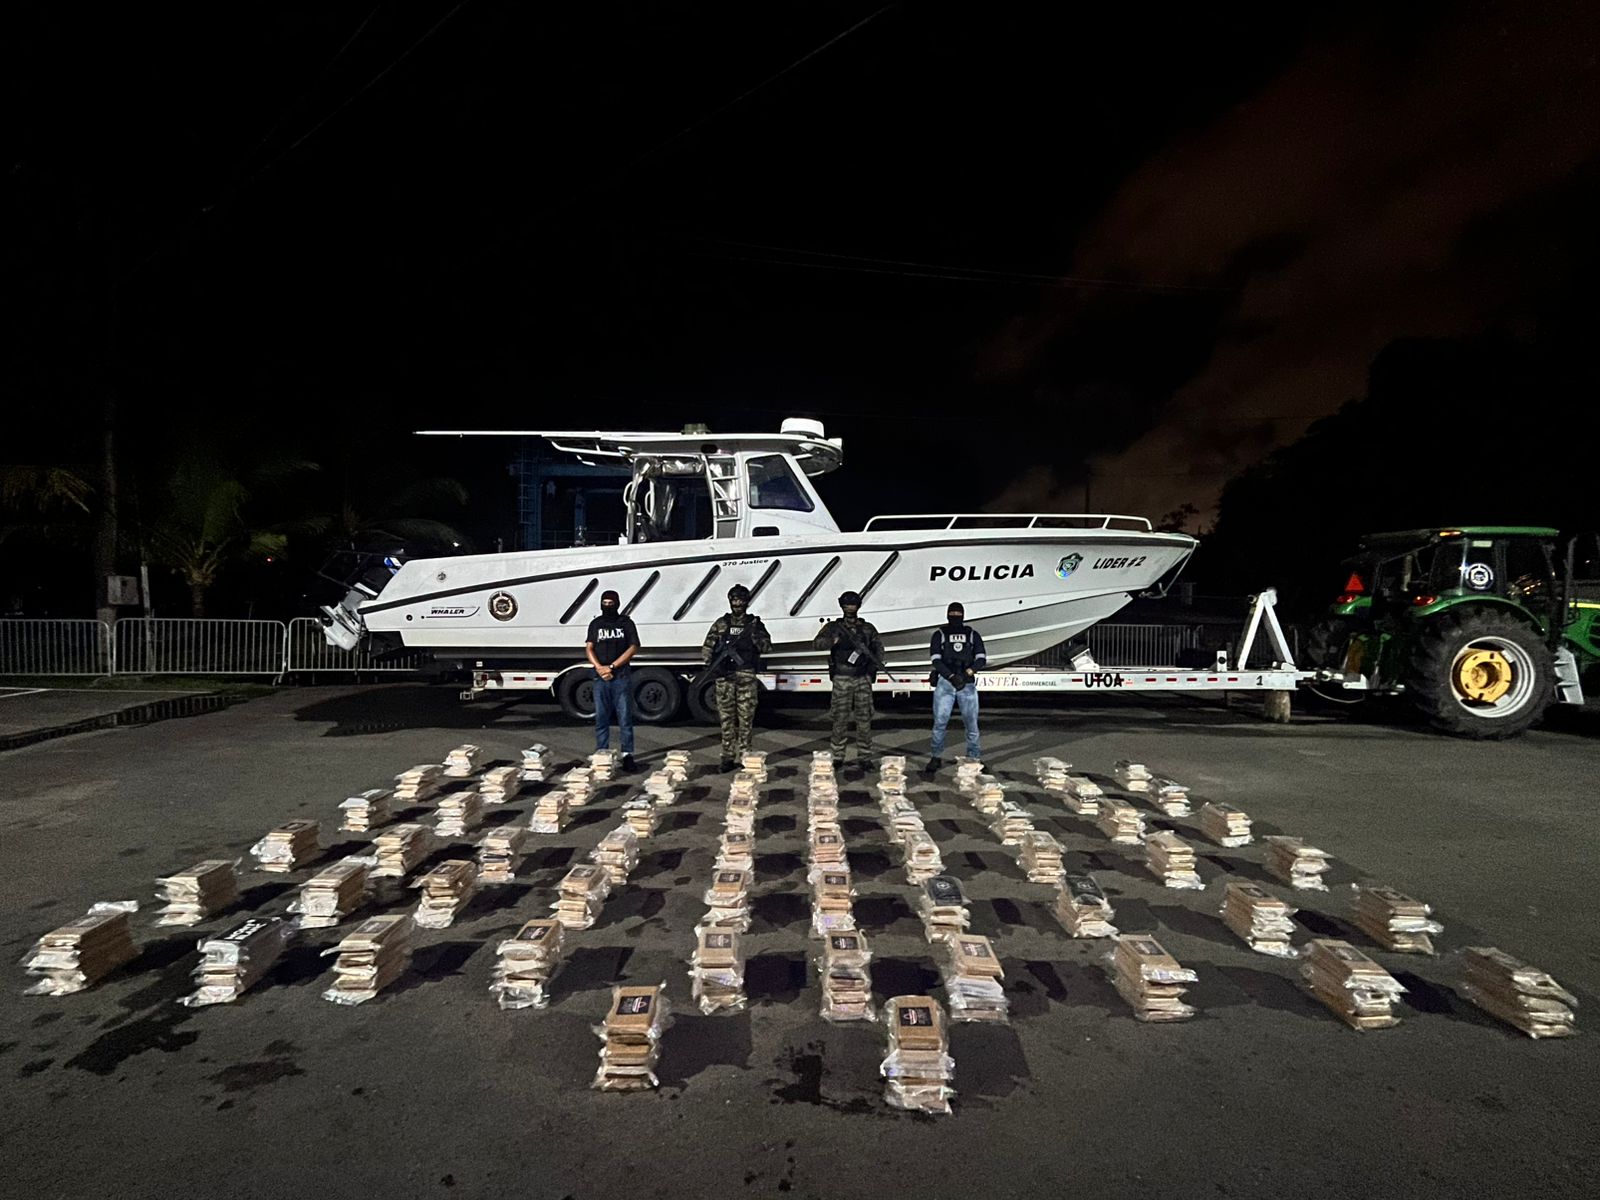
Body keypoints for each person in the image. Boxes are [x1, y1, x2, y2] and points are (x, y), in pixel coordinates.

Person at [701, 583, 772, 771]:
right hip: (724, 677)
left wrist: (756, 637)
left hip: (746, 675)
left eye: (741, 600)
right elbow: (707, 647)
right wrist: (712, 665)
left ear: (747, 602)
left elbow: (767, 647)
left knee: (746, 719)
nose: (738, 604)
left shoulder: (754, 624)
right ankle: (727, 756)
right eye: (735, 600)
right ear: (730, 601)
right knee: (726, 719)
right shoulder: (721, 624)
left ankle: (745, 755)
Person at [813, 590, 884, 770]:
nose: (850, 608)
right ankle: (837, 756)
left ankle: (865, 757)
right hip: (842, 678)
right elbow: (817, 644)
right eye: (847, 605)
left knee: (864, 719)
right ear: (842, 606)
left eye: (853, 604)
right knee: (839, 719)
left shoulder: (867, 628)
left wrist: (872, 670)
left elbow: (878, 650)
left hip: (862, 678)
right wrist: (834, 640)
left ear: (858, 606)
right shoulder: (833, 627)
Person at [926, 601, 985, 773]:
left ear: (963, 615)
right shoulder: (939, 634)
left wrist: (966, 673)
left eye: (958, 614)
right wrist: (951, 676)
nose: (955, 617)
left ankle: (974, 758)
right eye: (953, 614)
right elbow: (936, 660)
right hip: (946, 683)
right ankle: (935, 757)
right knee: (940, 722)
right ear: (947, 615)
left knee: (971, 724)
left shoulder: (972, 634)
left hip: (966, 683)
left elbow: (981, 658)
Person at [585, 589, 640, 772]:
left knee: (624, 718)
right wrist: (600, 668)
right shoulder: (596, 624)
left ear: (617, 604)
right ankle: (602, 752)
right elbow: (589, 647)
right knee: (601, 718)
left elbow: (633, 647)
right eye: (605, 603)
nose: (608, 606)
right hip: (600, 677)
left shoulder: (625, 623)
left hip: (620, 676)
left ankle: (627, 754)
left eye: (611, 603)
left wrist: (612, 667)